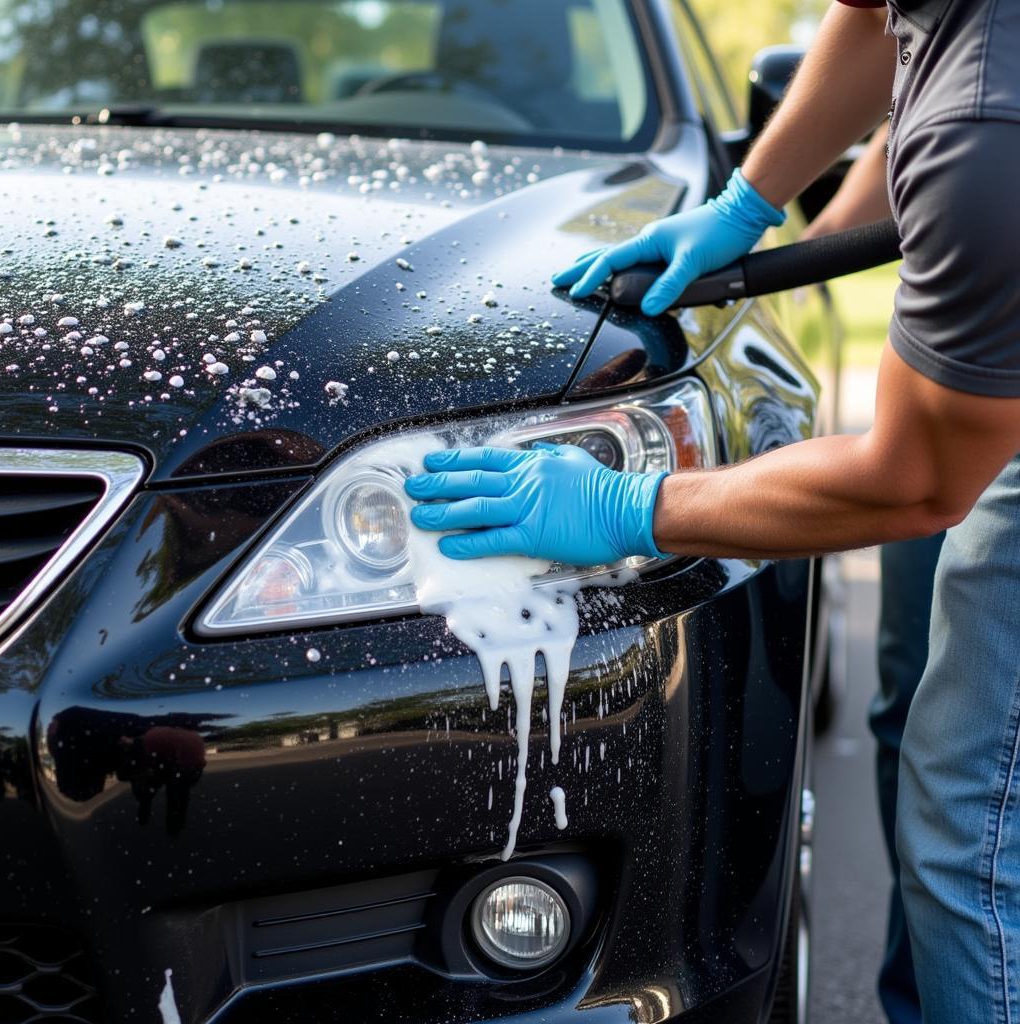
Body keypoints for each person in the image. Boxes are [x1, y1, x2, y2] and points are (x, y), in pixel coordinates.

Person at [404, 3, 1020, 1022]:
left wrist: (624, 501)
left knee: (972, 815)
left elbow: (914, 484)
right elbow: (885, 25)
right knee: (911, 700)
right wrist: (749, 202)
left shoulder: (985, 130)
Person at [804, 122, 943, 1024]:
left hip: (972, 386)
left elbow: (910, 482)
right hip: (955, 371)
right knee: (917, 720)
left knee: (962, 766)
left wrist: (636, 508)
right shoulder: (946, 67)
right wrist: (789, 251)